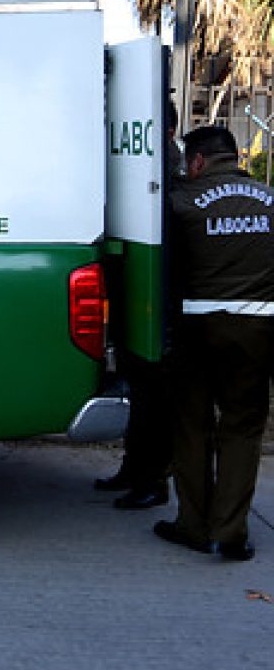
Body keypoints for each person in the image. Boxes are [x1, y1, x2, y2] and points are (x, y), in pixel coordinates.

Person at [154, 124, 274, 561]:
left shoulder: (181, 202)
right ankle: (229, 533)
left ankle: (192, 523)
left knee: (192, 426)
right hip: (258, 332)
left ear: (198, 161)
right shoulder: (270, 200)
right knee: (242, 428)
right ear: (235, 156)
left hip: (197, 332)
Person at [95, 100, 183, 509]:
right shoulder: (151, 168)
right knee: (142, 391)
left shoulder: (172, 174)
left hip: (161, 306)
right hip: (138, 299)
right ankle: (134, 470)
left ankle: (153, 480)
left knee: (155, 397)